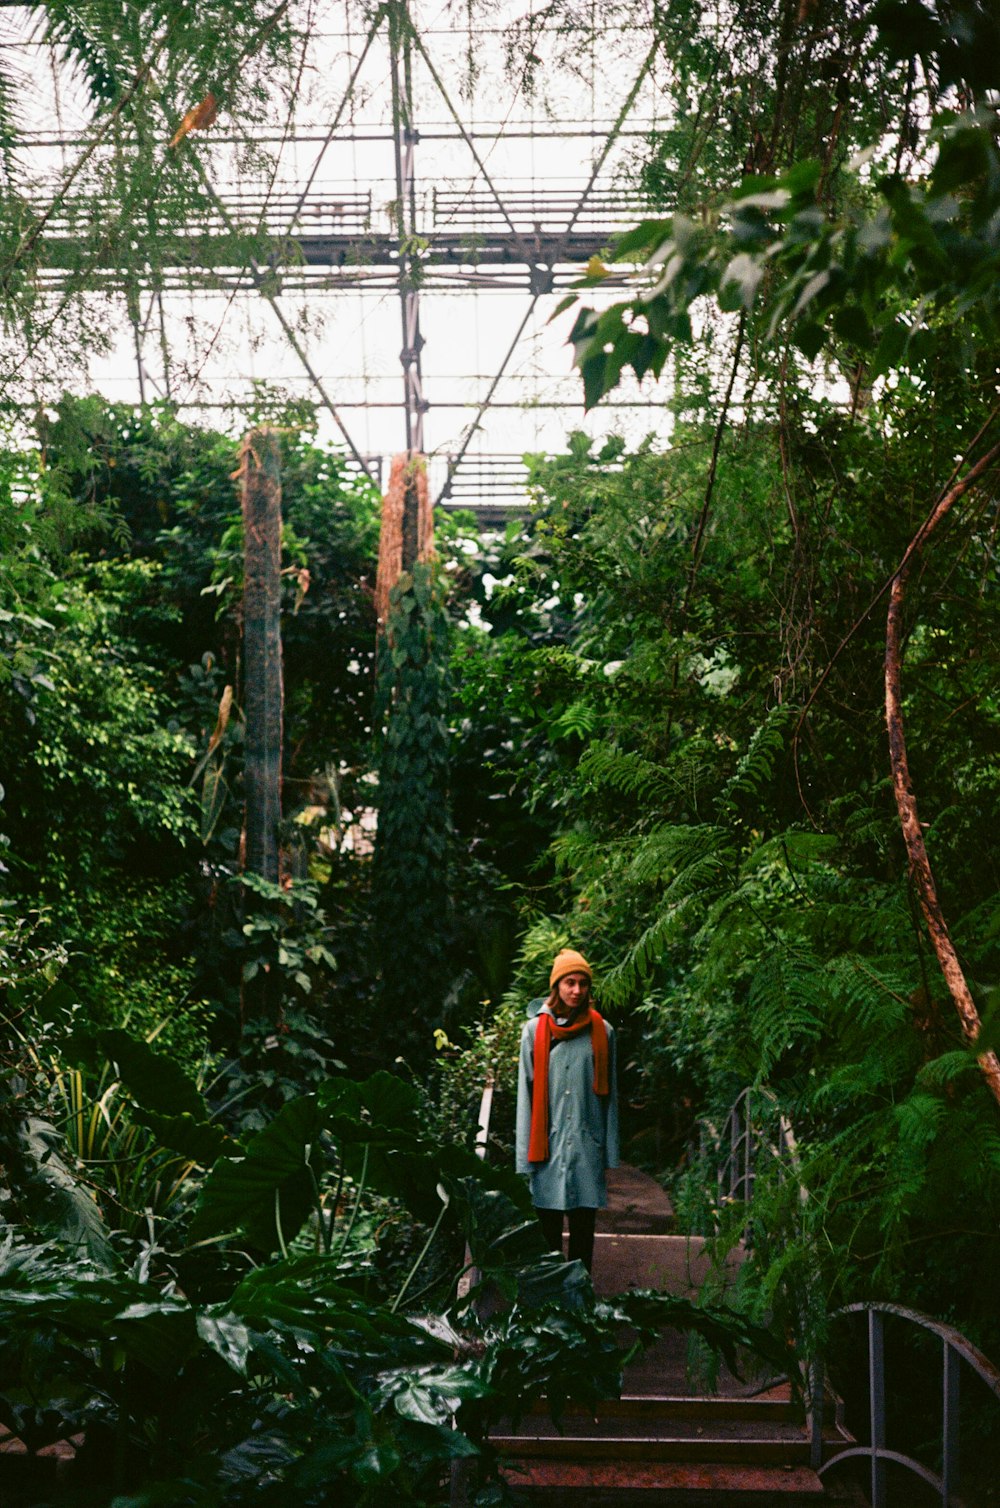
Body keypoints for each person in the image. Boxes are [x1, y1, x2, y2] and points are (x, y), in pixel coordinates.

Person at [515, 948, 619, 1272]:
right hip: (547, 1149)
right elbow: (525, 1095)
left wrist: (610, 1152)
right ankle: (549, 1304)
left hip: (587, 1147)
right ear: (557, 986)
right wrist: (523, 1158)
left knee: (583, 1234)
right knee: (547, 1233)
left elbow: (611, 1098)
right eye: (569, 982)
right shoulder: (534, 1032)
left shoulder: (604, 1033)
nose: (577, 990)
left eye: (583, 983)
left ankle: (579, 1302)